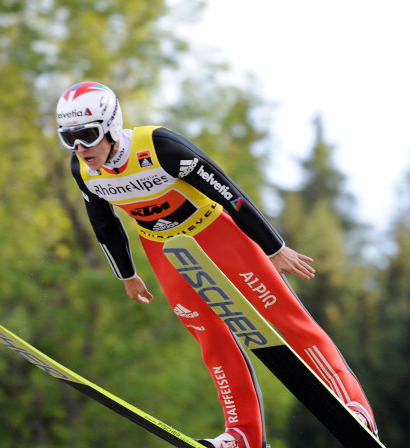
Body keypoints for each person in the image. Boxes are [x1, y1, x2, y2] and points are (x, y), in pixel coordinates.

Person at [55, 81, 377, 448]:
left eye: (87, 135)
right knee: (210, 338)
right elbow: (103, 222)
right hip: (163, 248)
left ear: (111, 126)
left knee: (283, 317)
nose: (80, 147)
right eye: (69, 138)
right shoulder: (82, 169)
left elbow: (229, 193)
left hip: (216, 233)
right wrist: (127, 275)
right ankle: (243, 436)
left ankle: (352, 406)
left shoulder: (160, 147)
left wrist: (274, 248)